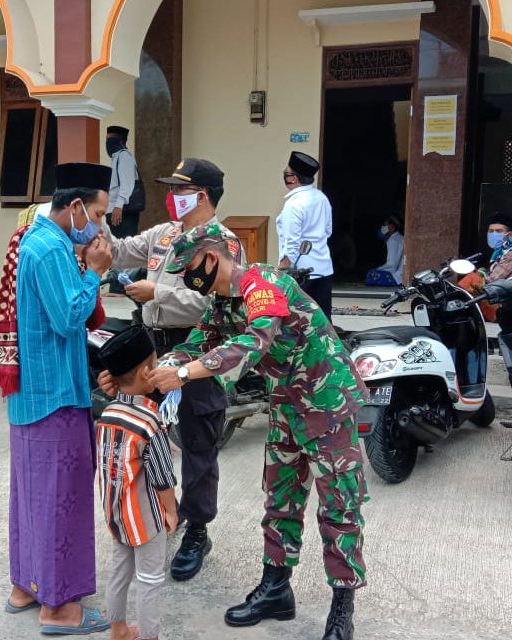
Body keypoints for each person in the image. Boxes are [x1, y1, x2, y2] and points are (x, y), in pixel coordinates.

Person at [147, 222, 369, 640]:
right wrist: (167, 363)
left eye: (190, 267)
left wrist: (185, 373)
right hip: (286, 401)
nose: (186, 278)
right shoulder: (220, 301)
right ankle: (276, 590)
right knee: (280, 497)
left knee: (338, 506)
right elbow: (200, 340)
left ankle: (342, 608)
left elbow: (254, 342)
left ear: (212, 259)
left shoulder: (262, 284)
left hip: (327, 403)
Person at [98, 157, 243, 583]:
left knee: (198, 441)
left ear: (200, 196)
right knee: (145, 435)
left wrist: (155, 291)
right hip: (151, 349)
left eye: (178, 191)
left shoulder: (222, 242)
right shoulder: (165, 234)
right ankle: (162, 510)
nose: (170, 197)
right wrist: (101, 215)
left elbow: (207, 303)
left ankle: (197, 529)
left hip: (194, 350)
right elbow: (123, 249)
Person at [2, 162, 114, 636]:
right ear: (74, 207)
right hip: (54, 396)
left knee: (32, 495)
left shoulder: (38, 240)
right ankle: (61, 609)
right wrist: (95, 272)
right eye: (98, 212)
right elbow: (69, 319)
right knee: (60, 500)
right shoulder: (49, 249)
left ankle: (27, 586)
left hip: (33, 394)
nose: (102, 224)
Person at [95, 325, 179, 640]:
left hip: (115, 511)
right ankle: (150, 636)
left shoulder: (107, 414)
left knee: (119, 570)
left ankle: (117, 628)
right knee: (149, 578)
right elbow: (162, 476)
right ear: (147, 372)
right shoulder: (148, 423)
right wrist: (171, 511)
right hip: (145, 518)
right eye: (156, 365)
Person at [278, 151, 334, 320]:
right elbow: (328, 231)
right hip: (323, 268)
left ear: (293, 178)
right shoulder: (321, 198)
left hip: (300, 274)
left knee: (297, 324)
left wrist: (282, 276)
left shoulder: (293, 205)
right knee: (323, 322)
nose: (284, 176)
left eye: (286, 173)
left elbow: (291, 245)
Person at [458, 212, 512, 322]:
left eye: (499, 231)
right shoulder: (503, 252)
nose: (493, 234)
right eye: (490, 231)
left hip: (505, 304)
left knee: (472, 279)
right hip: (500, 298)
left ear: (510, 235)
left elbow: (492, 281)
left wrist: (478, 278)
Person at [106, 125, 142, 238]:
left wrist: (118, 206)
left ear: (120, 141)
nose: (108, 143)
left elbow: (127, 184)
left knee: (122, 247)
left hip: (122, 212)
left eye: (111, 139)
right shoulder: (116, 157)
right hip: (116, 210)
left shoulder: (124, 156)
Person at [365, 216, 404, 286]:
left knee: (370, 274)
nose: (382, 227)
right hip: (400, 275)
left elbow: (392, 264)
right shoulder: (399, 238)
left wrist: (378, 269)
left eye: (385, 225)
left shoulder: (393, 240)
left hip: (396, 277)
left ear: (391, 227)